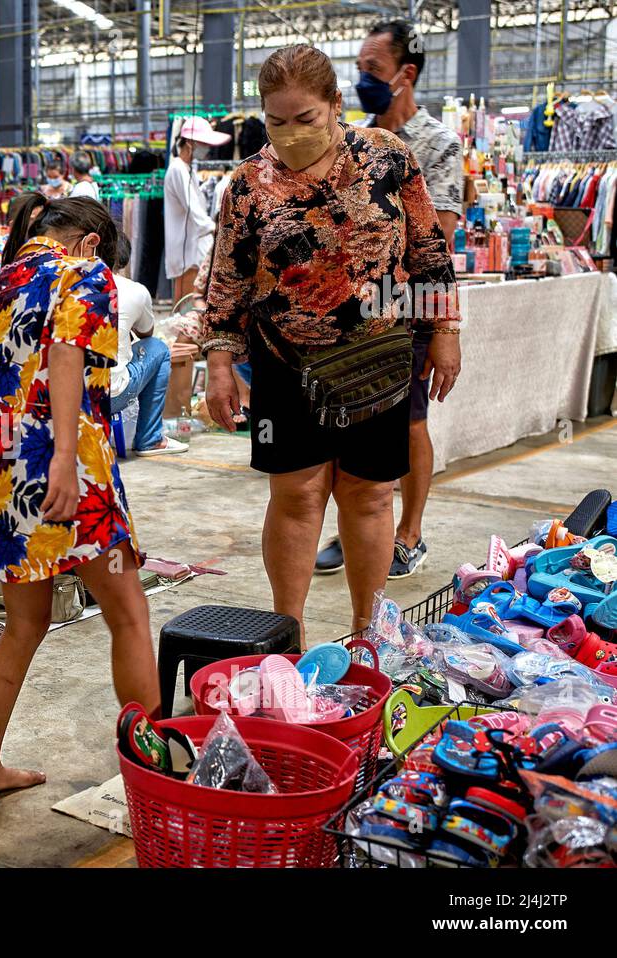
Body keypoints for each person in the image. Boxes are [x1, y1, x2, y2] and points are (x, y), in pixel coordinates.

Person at [0, 193, 159, 794]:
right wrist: (64, 457)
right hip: (75, 479)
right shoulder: (86, 271)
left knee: (23, 627)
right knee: (129, 615)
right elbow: (67, 353)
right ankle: (151, 775)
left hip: (7, 489)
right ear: (92, 243)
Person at [202, 44, 461, 638]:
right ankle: (285, 632)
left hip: (380, 359)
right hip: (283, 361)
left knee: (369, 497)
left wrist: (444, 331)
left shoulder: (388, 158)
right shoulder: (246, 185)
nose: (289, 134)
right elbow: (228, 281)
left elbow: (426, 250)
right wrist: (219, 364)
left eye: (305, 119)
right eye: (276, 121)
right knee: (296, 495)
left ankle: (371, 635)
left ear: (335, 105)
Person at [315, 20, 464, 580]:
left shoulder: (438, 143)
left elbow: (438, 238)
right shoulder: (352, 137)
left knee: (408, 422)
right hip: (351, 309)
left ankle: (409, 533)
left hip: (411, 303)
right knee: (351, 424)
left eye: (372, 71)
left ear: (406, 74)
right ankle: (361, 521)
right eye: (358, 69)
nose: (362, 81)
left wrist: (442, 330)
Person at [110, 235, 188, 456]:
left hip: (70, 397)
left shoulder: (66, 285)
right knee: (158, 348)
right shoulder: (133, 290)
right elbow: (146, 333)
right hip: (110, 395)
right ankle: (150, 438)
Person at [164, 117, 231, 303]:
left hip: (191, 246)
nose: (207, 149)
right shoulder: (178, 169)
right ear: (191, 143)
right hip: (187, 250)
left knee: (190, 305)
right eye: (204, 143)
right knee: (186, 308)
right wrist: (216, 229)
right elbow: (195, 211)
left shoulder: (187, 170)